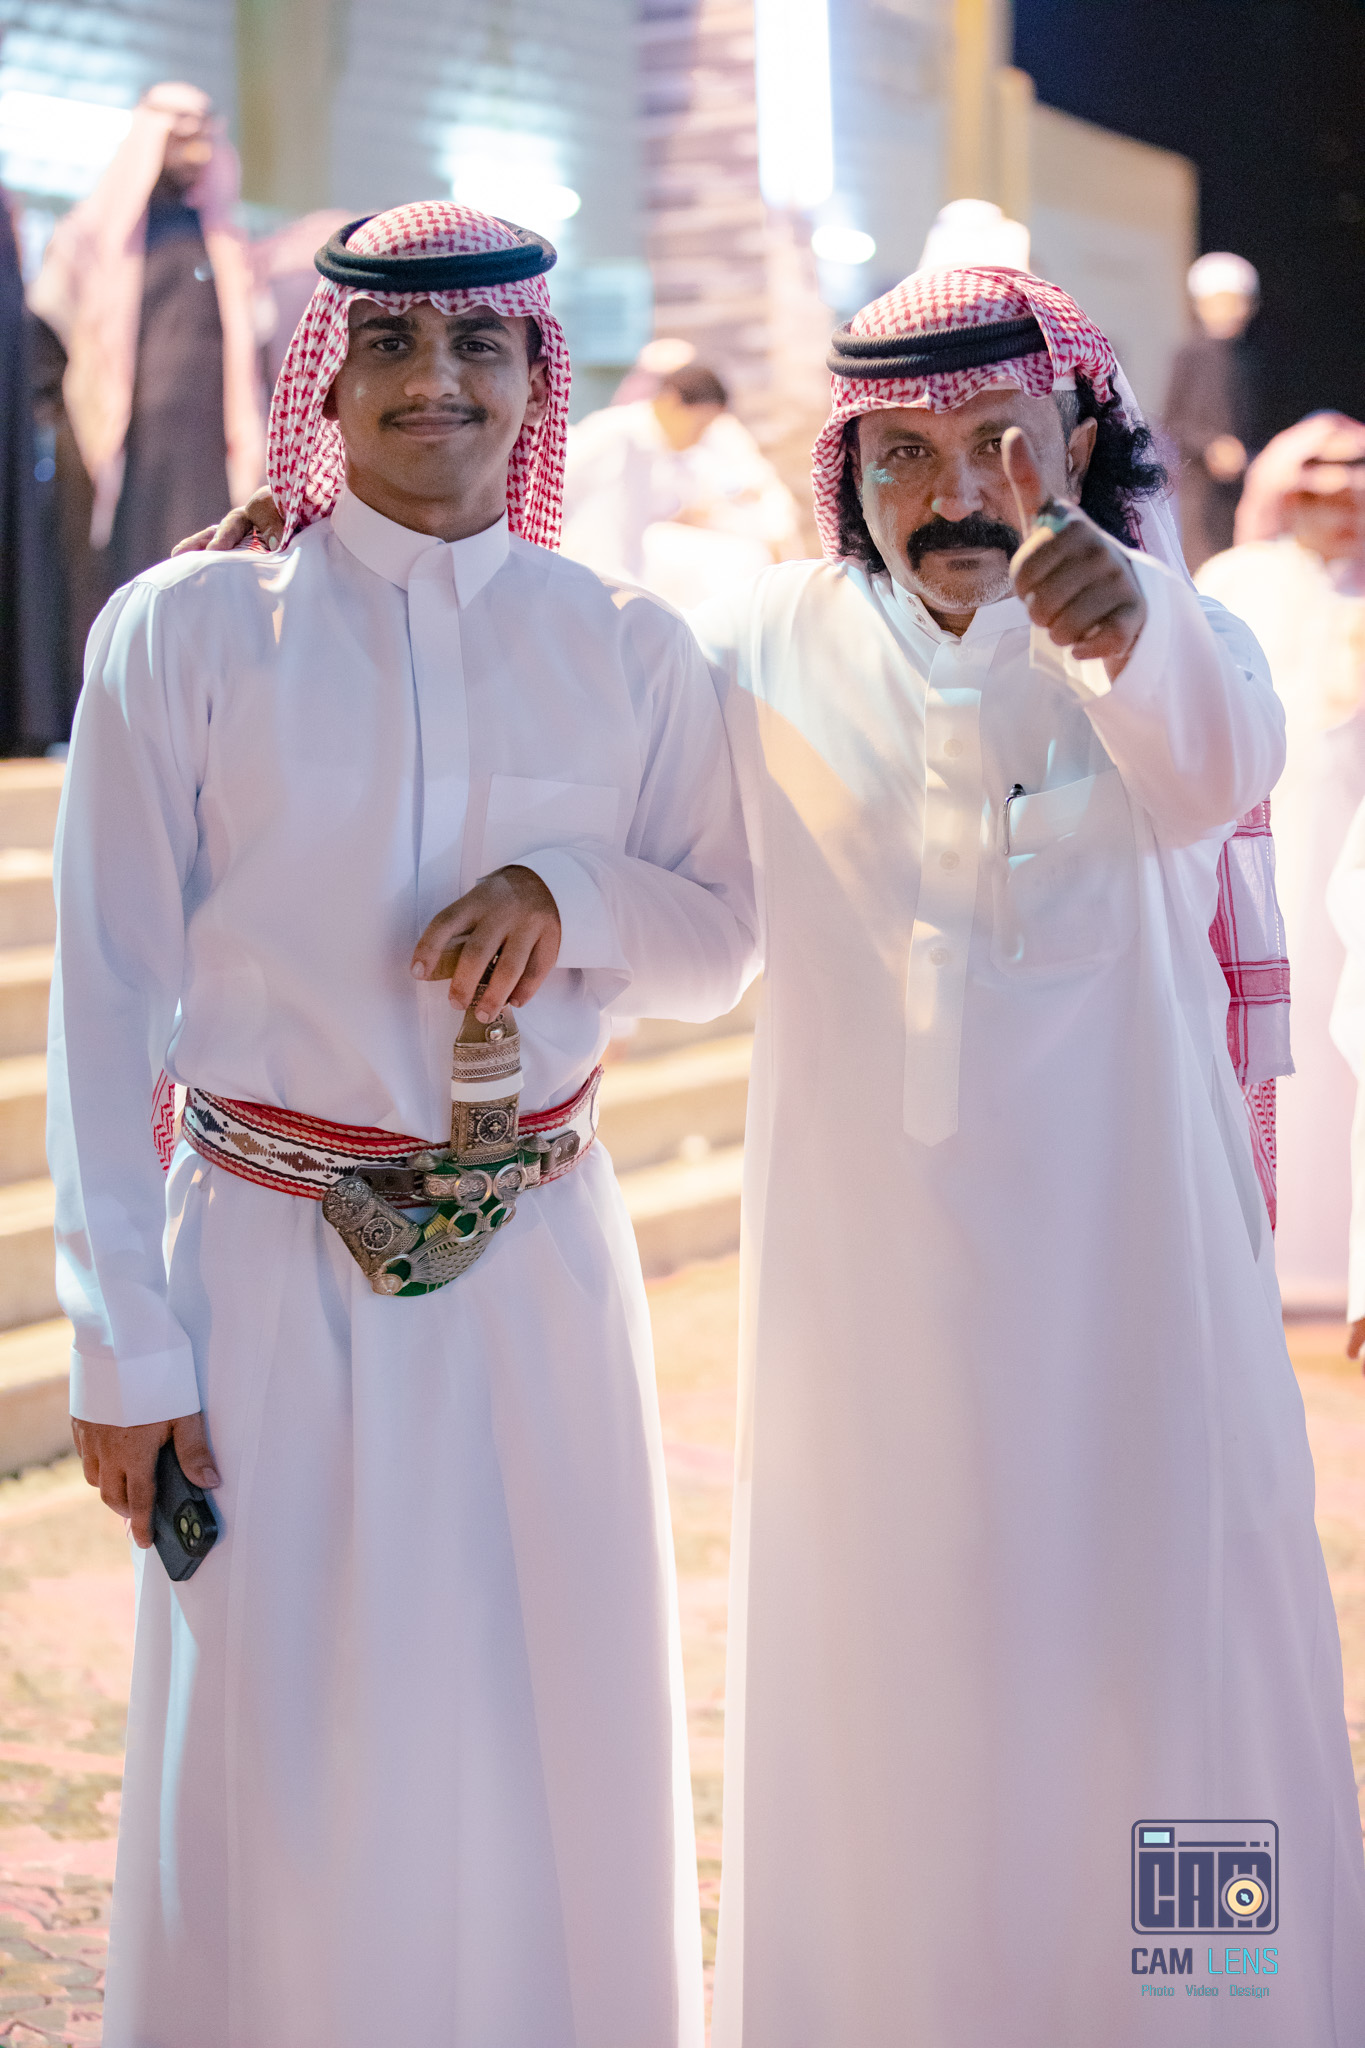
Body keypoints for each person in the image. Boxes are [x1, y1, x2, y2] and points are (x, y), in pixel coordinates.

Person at [49, 201, 755, 2048]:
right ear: (327, 375)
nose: (435, 381)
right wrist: (125, 1341)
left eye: (477, 346)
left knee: (545, 1697)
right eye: (388, 345)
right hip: (262, 1264)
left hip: (539, 1259)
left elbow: (723, 939)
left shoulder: (627, 643)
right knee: (282, 1714)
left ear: (534, 376)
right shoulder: (192, 629)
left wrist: (570, 894)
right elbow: (104, 996)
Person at [692, 267, 1365, 2045]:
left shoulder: (1174, 631)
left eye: (998, 441)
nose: (952, 492)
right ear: (850, 471)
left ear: (1075, 442)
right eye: (902, 455)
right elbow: (671, 898)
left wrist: (1123, 628)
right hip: (869, 1322)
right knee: (887, 1688)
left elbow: (1217, 769)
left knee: (1168, 1682)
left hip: (1131, 1298)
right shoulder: (762, 645)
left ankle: (1204, 2009)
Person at [1197, 412, 1365, 1309]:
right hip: (1252, 866)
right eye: (1320, 478)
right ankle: (1268, 1254)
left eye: (1356, 476)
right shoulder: (1236, 583)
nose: (1340, 494)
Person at [26, 81, 264, 703]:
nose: (196, 152)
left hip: (208, 448)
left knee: (201, 575)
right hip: (116, 451)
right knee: (117, 581)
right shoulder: (93, 235)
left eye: (204, 138)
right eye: (180, 138)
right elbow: (47, 332)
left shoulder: (226, 243)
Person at [560, 361, 801, 609]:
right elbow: (602, 538)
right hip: (593, 563)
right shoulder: (620, 437)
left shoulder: (673, 448)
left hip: (632, 558)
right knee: (735, 562)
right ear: (671, 402)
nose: (700, 435)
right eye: (699, 425)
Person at [1162, 250, 1264, 571]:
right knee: (1205, 569)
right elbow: (1173, 423)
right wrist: (1210, 447)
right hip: (1199, 490)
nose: (1234, 311)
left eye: (1240, 302)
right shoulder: (1189, 355)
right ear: (1200, 305)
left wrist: (1245, 455)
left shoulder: (1251, 361)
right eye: (1222, 301)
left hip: (1243, 486)